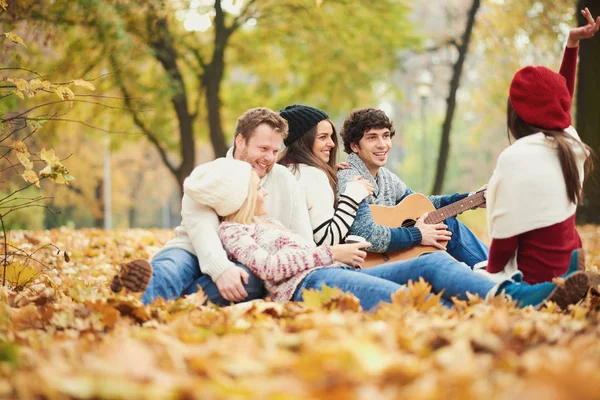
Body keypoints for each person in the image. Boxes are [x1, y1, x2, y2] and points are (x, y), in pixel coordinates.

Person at [202, 158, 588, 311]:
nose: (266, 190)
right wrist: (331, 254)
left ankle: (512, 293)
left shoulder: (271, 224)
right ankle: (495, 312)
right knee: (406, 301)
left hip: (332, 272)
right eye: (259, 188)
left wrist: (466, 200)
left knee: (435, 260)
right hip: (311, 286)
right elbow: (269, 267)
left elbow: (417, 202)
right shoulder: (233, 231)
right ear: (244, 197)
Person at [111, 108, 313, 305]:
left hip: (251, 260)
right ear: (240, 141)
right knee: (172, 268)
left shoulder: (285, 179)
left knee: (246, 281)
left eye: (275, 151)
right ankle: (130, 302)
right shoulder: (210, 174)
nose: (269, 158)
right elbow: (203, 228)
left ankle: (153, 298)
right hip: (193, 249)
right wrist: (221, 269)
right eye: (263, 149)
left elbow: (302, 237)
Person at [481, 8, 598, 284]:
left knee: (451, 256)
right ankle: (569, 274)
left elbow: (503, 246)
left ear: (515, 114)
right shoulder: (571, 144)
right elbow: (560, 99)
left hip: (529, 278)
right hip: (566, 255)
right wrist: (571, 45)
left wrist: (486, 276)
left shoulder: (516, 158)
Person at [337, 107, 489, 268]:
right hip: (369, 264)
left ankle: (495, 269)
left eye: (386, 136)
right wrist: (418, 234)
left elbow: (421, 204)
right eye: (372, 138)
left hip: (396, 253)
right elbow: (369, 235)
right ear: (354, 146)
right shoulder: (349, 178)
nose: (382, 145)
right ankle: (496, 271)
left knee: (444, 221)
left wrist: (471, 198)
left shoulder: (386, 177)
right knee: (443, 236)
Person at [278, 104, 373, 246]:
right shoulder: (313, 176)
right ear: (303, 141)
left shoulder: (282, 170)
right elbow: (326, 240)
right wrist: (353, 196)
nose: (332, 143)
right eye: (323, 137)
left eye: (330, 137)